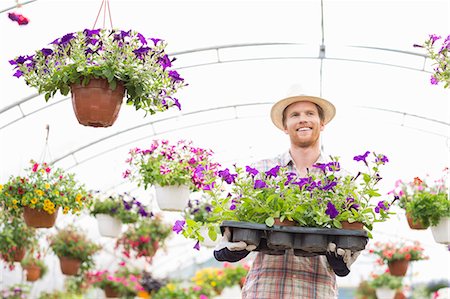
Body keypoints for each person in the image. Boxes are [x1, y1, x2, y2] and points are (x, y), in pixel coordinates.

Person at [214, 87, 361, 299]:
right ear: (285, 126)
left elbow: (351, 242)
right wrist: (229, 249)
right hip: (265, 289)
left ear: (322, 123)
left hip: (316, 290)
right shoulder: (262, 171)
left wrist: (342, 261)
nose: (303, 119)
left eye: (310, 114)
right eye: (295, 115)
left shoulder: (340, 179)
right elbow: (233, 228)